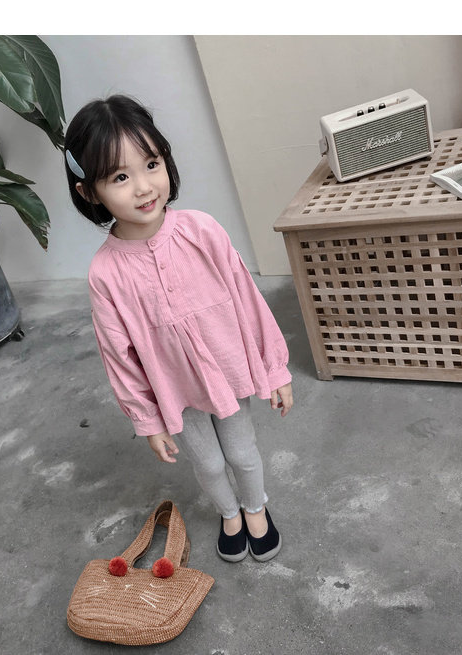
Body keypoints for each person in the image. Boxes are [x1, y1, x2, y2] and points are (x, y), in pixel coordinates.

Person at [63, 94, 294, 563]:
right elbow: (119, 356)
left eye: (151, 164)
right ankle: (229, 513)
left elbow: (247, 298)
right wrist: (147, 420)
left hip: (227, 372)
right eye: (120, 177)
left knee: (242, 452)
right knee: (207, 462)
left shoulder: (202, 230)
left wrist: (275, 368)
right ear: (89, 192)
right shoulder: (105, 274)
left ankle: (255, 507)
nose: (144, 187)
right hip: (174, 390)